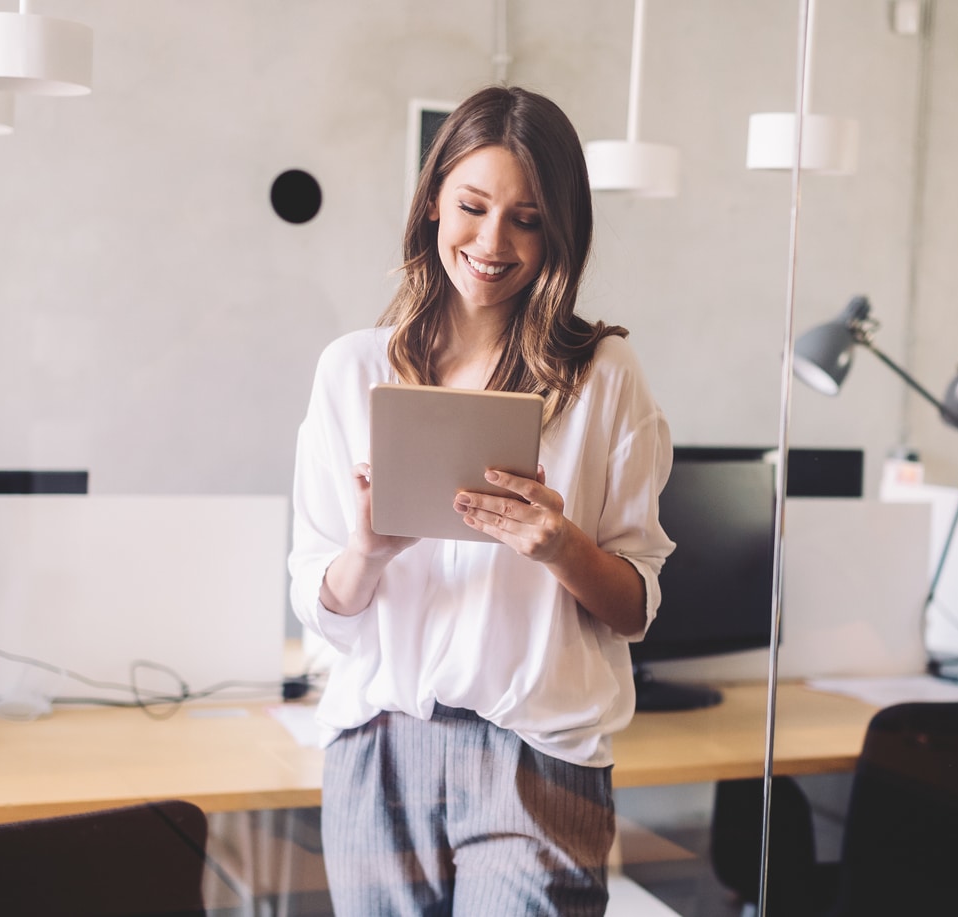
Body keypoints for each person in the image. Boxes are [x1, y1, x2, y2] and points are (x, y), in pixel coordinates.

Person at [288, 85, 674, 916]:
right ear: (434, 203)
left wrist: (560, 546)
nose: (494, 242)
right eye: (473, 206)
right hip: (378, 750)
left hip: (538, 759)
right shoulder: (351, 370)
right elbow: (321, 607)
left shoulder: (602, 376)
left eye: (528, 219)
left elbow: (635, 607)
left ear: (559, 231)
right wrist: (366, 554)